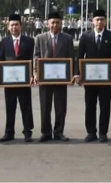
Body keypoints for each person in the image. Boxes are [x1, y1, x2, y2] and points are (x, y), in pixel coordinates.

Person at [76, 9, 111, 142]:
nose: (99, 22)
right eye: (97, 20)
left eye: (102, 19)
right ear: (92, 21)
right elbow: (79, 57)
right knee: (90, 105)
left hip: (106, 78)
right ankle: (91, 132)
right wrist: (77, 74)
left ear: (105, 21)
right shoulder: (85, 36)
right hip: (89, 78)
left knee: (105, 105)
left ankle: (103, 132)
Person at [33, 12, 75, 142]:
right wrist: (35, 73)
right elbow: (36, 57)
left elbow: (71, 58)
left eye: (58, 22)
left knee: (60, 106)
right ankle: (45, 132)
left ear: (61, 24)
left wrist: (72, 74)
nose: (55, 25)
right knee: (45, 106)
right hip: (44, 78)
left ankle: (58, 132)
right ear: (47, 24)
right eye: (53, 22)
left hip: (61, 78)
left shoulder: (67, 38)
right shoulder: (39, 38)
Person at [0, 14, 35, 142]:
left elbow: (32, 60)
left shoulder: (29, 41)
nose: (14, 27)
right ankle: (9, 132)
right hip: (9, 81)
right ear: (8, 27)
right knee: (10, 107)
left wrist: (32, 75)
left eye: (16, 25)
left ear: (21, 26)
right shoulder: (4, 42)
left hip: (24, 81)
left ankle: (27, 132)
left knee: (26, 107)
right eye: (12, 25)